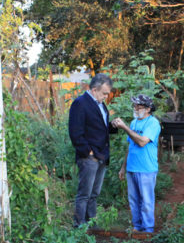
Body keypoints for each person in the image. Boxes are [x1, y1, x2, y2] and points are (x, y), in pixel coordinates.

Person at [68, 73, 122, 228]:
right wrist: (88, 152)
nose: (106, 96)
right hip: (89, 157)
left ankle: (92, 224)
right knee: (84, 194)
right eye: (104, 93)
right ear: (94, 89)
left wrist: (112, 126)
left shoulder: (100, 104)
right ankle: (80, 226)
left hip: (102, 155)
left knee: (94, 194)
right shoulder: (80, 103)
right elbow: (75, 133)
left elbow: (99, 128)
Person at [116, 94, 161, 233]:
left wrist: (124, 127)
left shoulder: (153, 123)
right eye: (134, 105)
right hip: (132, 168)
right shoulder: (134, 123)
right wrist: (123, 167)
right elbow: (130, 147)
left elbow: (141, 142)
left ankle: (148, 229)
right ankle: (137, 226)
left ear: (148, 109)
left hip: (146, 169)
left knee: (146, 201)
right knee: (134, 200)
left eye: (138, 106)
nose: (135, 108)